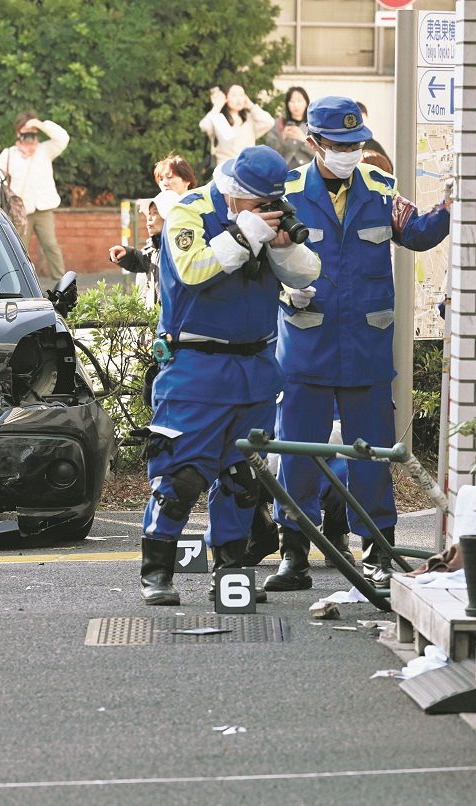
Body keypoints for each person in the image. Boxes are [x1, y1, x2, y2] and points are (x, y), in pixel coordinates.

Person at [264, 96, 451, 592]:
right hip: (306, 347)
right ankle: (294, 556)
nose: (349, 151)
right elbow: (260, 263)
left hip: (366, 348)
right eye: (338, 144)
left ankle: (379, 553)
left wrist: (453, 206)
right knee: (298, 454)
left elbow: (421, 234)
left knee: (372, 457)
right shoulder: (284, 196)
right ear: (313, 143)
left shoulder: (381, 190)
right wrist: (285, 289)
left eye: (356, 143)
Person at [139, 146, 320, 606]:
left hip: (256, 366)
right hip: (196, 366)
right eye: (261, 204)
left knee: (243, 478)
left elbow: (306, 275)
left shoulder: (267, 216)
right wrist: (244, 235)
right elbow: (193, 269)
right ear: (236, 196)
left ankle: (232, 569)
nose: (269, 212)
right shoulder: (190, 211)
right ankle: (157, 571)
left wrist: (283, 247)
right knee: (179, 475)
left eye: (273, 204)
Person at [0, 112, 71, 282]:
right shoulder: (8, 154)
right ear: (17, 132)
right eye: (25, 131)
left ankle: (63, 285)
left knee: (51, 246)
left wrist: (40, 124)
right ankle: (19, 285)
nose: (29, 136)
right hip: (20, 211)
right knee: (19, 249)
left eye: (32, 132)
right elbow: (1, 183)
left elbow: (63, 138)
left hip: (43, 208)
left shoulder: (45, 150)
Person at [109, 189, 179, 307]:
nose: (149, 218)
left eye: (155, 213)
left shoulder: (179, 250)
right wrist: (126, 253)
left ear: (170, 216)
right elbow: (142, 261)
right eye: (149, 214)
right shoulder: (155, 248)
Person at [199, 84, 275, 168]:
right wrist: (217, 106)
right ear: (225, 98)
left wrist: (251, 106)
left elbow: (269, 122)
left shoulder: (250, 119)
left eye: (242, 95)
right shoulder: (219, 119)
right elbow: (204, 126)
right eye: (234, 95)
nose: (239, 99)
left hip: (247, 169)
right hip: (225, 170)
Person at [265, 86, 314, 169]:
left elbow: (321, 154)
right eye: (292, 101)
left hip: (307, 171)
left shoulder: (314, 125)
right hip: (283, 172)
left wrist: (304, 139)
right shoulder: (278, 124)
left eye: (299, 101)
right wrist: (282, 138)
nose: (296, 105)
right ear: (287, 103)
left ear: (306, 102)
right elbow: (269, 154)